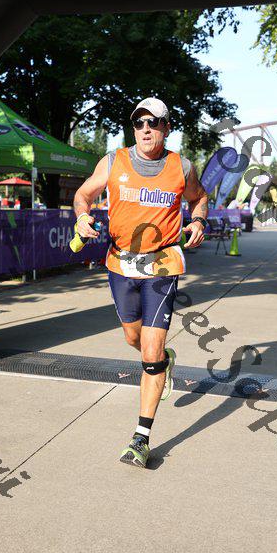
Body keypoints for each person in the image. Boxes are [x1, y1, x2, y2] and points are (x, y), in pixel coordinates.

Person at [73, 97, 208, 469]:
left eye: (154, 122)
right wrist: (82, 217)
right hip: (120, 263)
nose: (146, 129)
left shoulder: (182, 167)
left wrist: (198, 221)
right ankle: (164, 360)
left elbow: (199, 198)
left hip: (162, 265)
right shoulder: (113, 161)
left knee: (150, 353)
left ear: (167, 127)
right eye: (139, 123)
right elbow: (83, 194)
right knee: (132, 337)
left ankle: (140, 438)